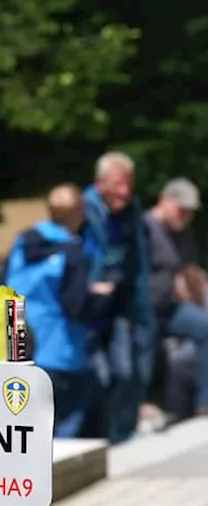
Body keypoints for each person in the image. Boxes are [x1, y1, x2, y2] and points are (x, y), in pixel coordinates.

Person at [4, 184, 115, 437]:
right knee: (67, 420)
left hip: (19, 348)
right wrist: (98, 297)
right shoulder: (71, 250)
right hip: (60, 351)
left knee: (24, 427)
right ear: (79, 213)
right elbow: (75, 307)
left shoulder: (21, 243)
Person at [82, 151, 153, 443]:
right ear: (100, 184)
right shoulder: (84, 209)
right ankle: (91, 437)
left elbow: (137, 261)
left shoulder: (131, 210)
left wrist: (137, 308)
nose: (124, 191)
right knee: (96, 377)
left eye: (128, 184)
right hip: (88, 309)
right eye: (117, 184)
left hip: (118, 307)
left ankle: (117, 436)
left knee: (124, 372)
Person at [145, 179, 208, 415]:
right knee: (145, 361)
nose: (185, 216)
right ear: (164, 200)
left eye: (190, 212)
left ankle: (205, 402)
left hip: (168, 308)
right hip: (142, 310)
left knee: (205, 326)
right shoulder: (144, 228)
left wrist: (202, 308)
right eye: (181, 209)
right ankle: (141, 410)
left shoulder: (181, 234)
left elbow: (191, 272)